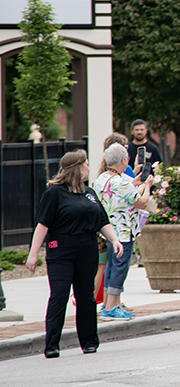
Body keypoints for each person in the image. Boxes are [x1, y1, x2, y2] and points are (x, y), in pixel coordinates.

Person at [25, 151, 125, 358]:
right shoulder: (54, 193)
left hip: (87, 248)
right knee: (59, 295)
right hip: (61, 249)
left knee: (86, 295)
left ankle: (89, 342)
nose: (89, 168)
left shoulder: (90, 193)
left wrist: (114, 239)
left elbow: (102, 221)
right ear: (78, 168)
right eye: (86, 164)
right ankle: (52, 344)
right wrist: (33, 253)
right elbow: (42, 225)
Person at [93, 144, 156, 320]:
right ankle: (111, 308)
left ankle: (108, 304)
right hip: (124, 232)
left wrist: (134, 183)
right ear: (123, 160)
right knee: (120, 268)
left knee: (111, 267)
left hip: (107, 231)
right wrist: (147, 186)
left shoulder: (101, 179)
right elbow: (141, 202)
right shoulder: (121, 183)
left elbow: (120, 191)